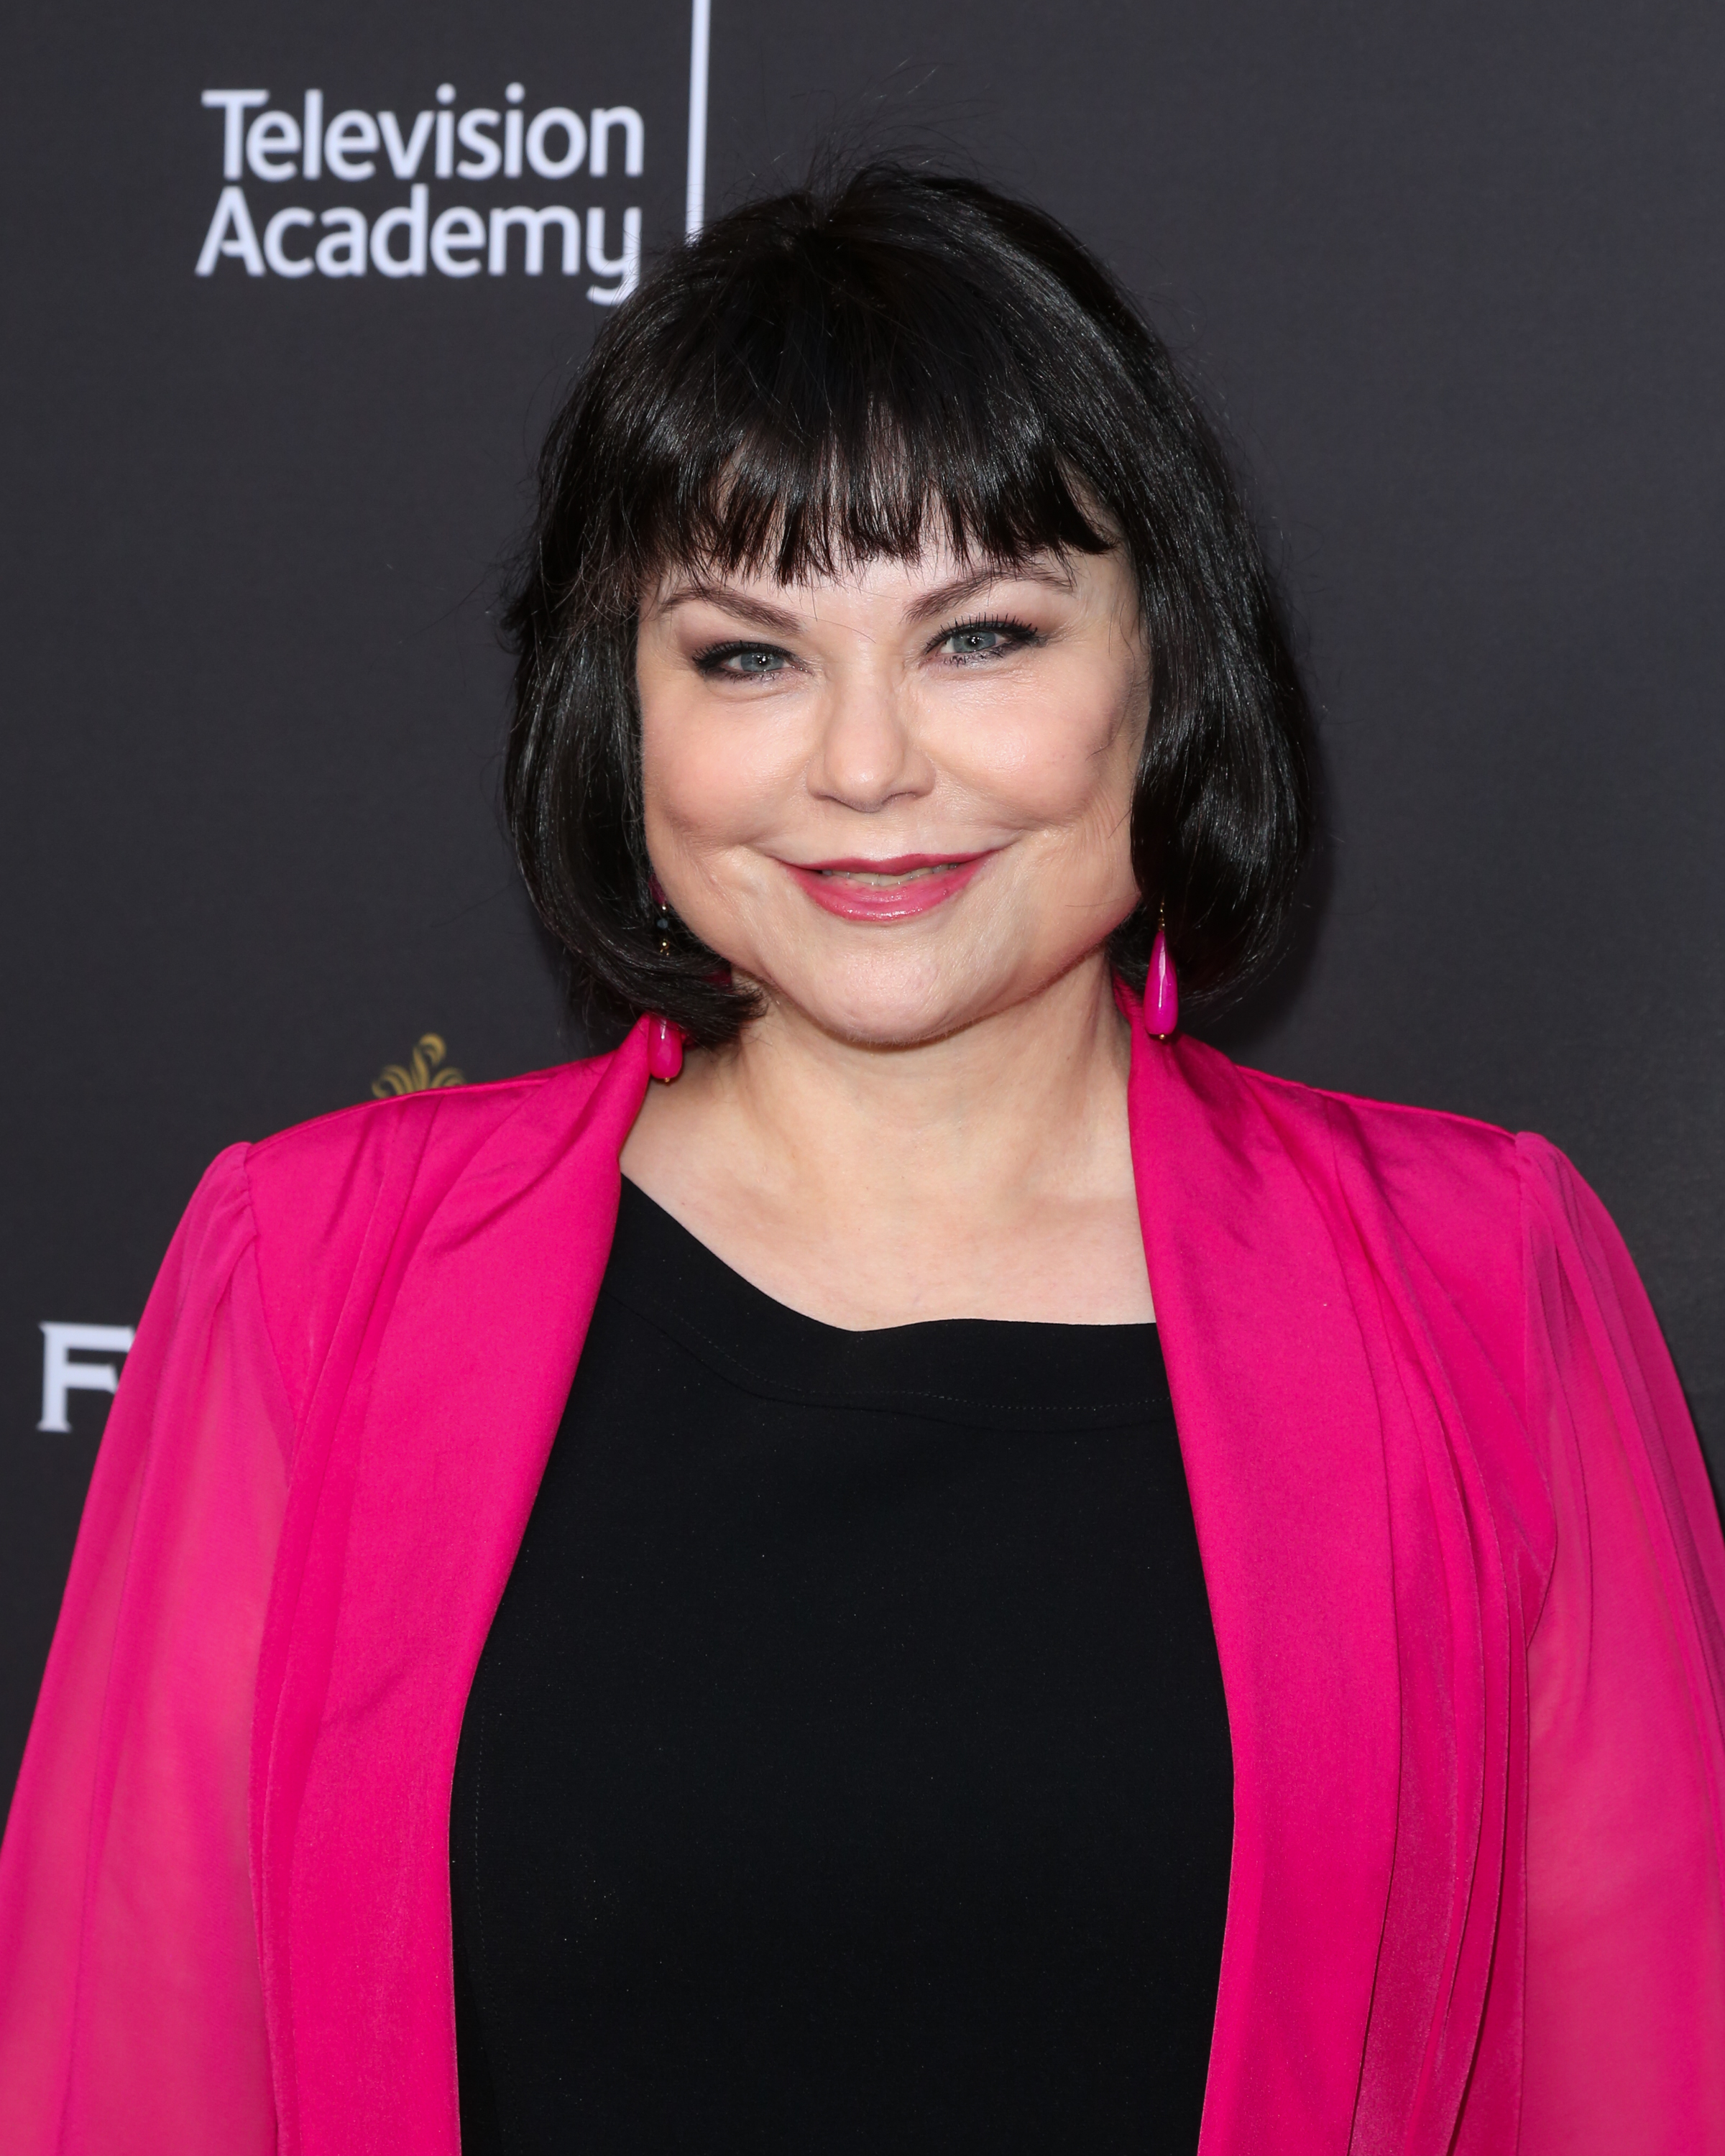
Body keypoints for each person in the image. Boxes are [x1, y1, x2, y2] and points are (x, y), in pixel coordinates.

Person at [1, 162, 1721, 2156]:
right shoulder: (313, 1279)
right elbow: (132, 2075)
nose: (866, 763)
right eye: (746, 655)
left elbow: (1652, 2086)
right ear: (617, 716)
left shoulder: (1476, 1284)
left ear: (1164, 665)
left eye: (981, 635)